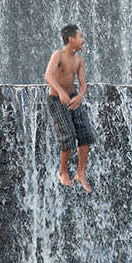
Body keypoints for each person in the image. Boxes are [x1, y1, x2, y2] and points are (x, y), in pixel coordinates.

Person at [44, 24, 96, 193]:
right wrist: (60, 91)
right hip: (56, 100)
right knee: (68, 134)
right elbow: (48, 75)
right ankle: (63, 172)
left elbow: (82, 83)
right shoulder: (58, 55)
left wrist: (80, 95)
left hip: (74, 99)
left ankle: (81, 173)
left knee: (86, 134)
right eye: (81, 37)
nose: (83, 41)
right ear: (71, 39)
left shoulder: (78, 59)